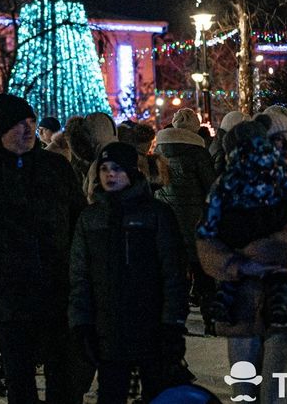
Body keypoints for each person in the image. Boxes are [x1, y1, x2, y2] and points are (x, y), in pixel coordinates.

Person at [0, 93, 87, 404]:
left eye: (31, 123)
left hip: (57, 290)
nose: (28, 130)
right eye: (19, 124)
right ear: (2, 129)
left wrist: (74, 271)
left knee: (63, 377)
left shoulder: (55, 168)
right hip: (10, 295)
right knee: (19, 379)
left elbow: (78, 220)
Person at [197, 121, 287, 404]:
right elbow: (207, 244)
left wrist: (241, 252)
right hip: (243, 306)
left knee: (279, 395)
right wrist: (237, 265)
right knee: (244, 393)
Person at [69, 142, 188, 404]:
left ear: (132, 172)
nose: (110, 175)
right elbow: (80, 277)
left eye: (118, 169)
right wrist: (81, 324)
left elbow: (173, 272)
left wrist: (173, 323)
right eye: (105, 168)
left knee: (156, 393)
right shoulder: (90, 219)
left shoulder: (156, 215)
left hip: (152, 326)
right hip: (108, 328)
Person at [154, 107, 217, 330]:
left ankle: (176, 321)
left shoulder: (159, 149)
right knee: (202, 271)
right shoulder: (198, 152)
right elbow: (210, 186)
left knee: (175, 273)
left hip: (166, 218)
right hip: (195, 220)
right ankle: (210, 319)